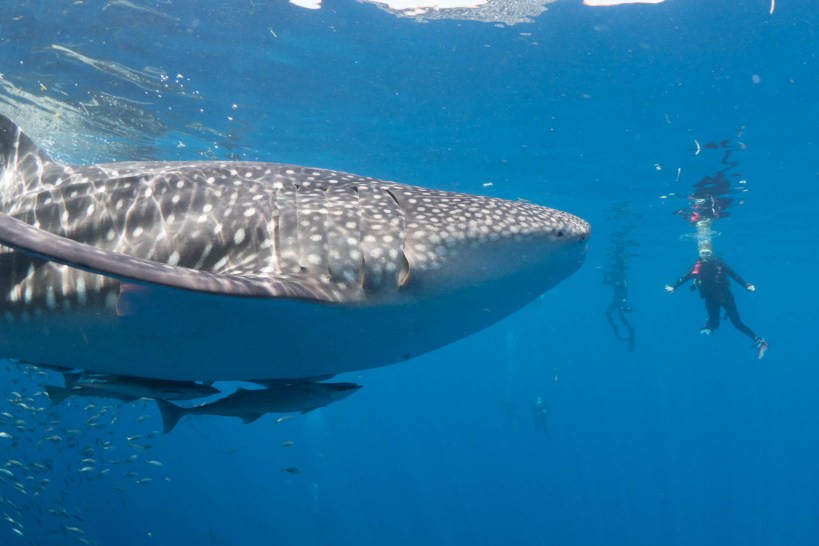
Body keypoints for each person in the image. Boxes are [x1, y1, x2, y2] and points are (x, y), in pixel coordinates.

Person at [665, 244, 768, 359]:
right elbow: (685, 277)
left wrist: (746, 285)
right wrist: (673, 287)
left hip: (726, 297)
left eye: (707, 253)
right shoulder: (696, 266)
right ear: (699, 253)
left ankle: (760, 341)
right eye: (703, 253)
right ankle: (709, 324)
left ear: (711, 253)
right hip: (710, 299)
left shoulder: (719, 264)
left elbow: (734, 275)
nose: (705, 256)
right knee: (715, 324)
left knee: (737, 323)